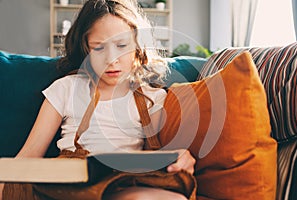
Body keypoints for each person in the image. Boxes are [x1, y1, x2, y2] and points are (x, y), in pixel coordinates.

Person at [1, 0, 196, 199]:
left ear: (138, 46)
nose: (111, 59)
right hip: (68, 186)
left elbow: (162, 157)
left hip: (121, 185)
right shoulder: (66, 88)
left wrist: (181, 158)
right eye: (98, 48)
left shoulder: (151, 98)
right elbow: (29, 154)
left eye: (121, 45)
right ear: (85, 48)